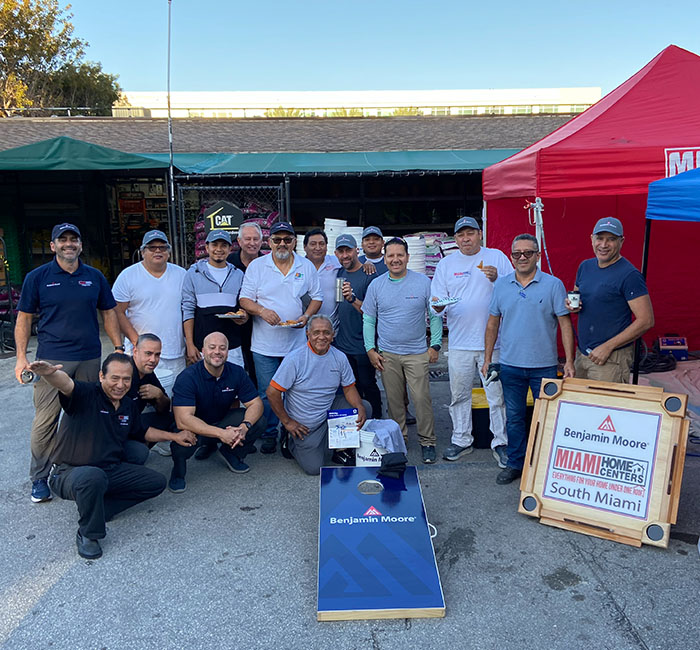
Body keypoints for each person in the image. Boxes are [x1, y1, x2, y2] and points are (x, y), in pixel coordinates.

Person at [29, 353, 195, 559]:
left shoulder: (127, 405)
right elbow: (66, 384)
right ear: (101, 376)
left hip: (109, 468)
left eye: (126, 379)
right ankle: (88, 533)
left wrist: (174, 436)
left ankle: (101, 508)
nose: (120, 384)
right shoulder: (87, 394)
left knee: (156, 482)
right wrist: (49, 374)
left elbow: (142, 432)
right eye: (114, 378)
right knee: (92, 477)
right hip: (69, 473)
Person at [14, 223, 122, 504]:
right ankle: (39, 477)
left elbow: (109, 313)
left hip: (89, 356)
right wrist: (22, 358)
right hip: (51, 359)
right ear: (53, 246)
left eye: (74, 239)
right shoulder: (37, 278)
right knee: (46, 420)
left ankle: (82, 466)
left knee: (87, 415)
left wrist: (119, 347)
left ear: (81, 245)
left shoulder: (94, 277)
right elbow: (24, 318)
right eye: (62, 240)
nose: (69, 244)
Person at [484, 234, 575, 485]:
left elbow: (565, 324)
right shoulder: (501, 285)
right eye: (517, 254)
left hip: (543, 366)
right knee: (514, 418)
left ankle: (546, 467)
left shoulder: (553, 284)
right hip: (511, 366)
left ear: (537, 255)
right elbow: (492, 323)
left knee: (547, 418)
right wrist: (488, 358)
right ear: (511, 257)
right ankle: (515, 463)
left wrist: (569, 361)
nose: (522, 257)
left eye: (527, 253)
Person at [431, 216, 512, 467]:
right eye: (461, 235)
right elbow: (435, 304)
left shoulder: (497, 257)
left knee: (496, 396)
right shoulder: (446, 264)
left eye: (471, 234)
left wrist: (498, 278)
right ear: (455, 239)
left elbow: (515, 289)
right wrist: (441, 304)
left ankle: (500, 442)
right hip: (459, 343)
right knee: (459, 394)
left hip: (494, 344)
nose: (466, 239)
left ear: (480, 235)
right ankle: (461, 439)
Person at [239, 222, 322, 454]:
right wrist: (262, 311)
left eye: (287, 239)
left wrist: (306, 316)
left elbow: (317, 297)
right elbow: (244, 299)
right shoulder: (257, 266)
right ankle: (268, 433)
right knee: (267, 392)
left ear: (295, 241)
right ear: (270, 242)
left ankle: (289, 434)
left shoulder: (305, 266)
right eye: (277, 240)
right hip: (264, 344)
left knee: (294, 391)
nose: (282, 244)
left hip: (295, 342)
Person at [362, 238, 443, 463]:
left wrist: (434, 345)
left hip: (417, 353)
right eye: (390, 256)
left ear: (408, 257)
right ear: (384, 258)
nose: (395, 259)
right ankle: (399, 441)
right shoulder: (376, 285)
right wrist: (370, 349)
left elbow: (435, 315)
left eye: (400, 255)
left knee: (422, 399)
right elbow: (369, 319)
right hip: (388, 354)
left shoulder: (423, 283)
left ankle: (428, 441)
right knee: (395, 402)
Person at [266, 315, 369, 475]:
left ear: (333, 335)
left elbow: (349, 388)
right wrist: (287, 422)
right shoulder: (295, 359)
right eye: (316, 332)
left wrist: (359, 406)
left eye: (326, 332)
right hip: (304, 425)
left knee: (363, 408)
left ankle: (340, 448)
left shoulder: (339, 357)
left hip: (327, 413)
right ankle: (289, 439)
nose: (322, 337)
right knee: (314, 468)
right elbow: (272, 392)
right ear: (308, 334)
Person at [170, 332, 266, 492]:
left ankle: (230, 453)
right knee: (182, 440)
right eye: (212, 347)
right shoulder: (188, 377)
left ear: (228, 351)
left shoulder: (236, 372)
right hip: (195, 427)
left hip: (222, 422)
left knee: (259, 421)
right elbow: (183, 419)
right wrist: (221, 434)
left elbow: (256, 403)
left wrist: (243, 427)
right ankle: (178, 473)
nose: (217, 352)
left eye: (222, 348)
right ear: (203, 351)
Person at [568, 217, 654, 383]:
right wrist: (573, 305)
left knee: (605, 407)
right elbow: (578, 295)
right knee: (580, 406)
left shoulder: (630, 275)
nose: (604, 245)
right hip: (583, 353)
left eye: (611, 239)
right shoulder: (585, 266)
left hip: (610, 358)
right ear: (591, 239)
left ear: (621, 241)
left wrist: (608, 346)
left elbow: (646, 320)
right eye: (600, 238)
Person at [112, 230, 187, 375]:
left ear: (169, 252)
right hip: (141, 355)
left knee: (171, 395)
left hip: (175, 352)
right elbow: (116, 311)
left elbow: (188, 311)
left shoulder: (182, 274)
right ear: (142, 252)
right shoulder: (128, 276)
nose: (158, 251)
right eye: (152, 247)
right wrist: (137, 342)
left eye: (162, 247)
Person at [333, 234, 382, 419]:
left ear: (356, 251)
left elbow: (371, 312)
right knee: (350, 387)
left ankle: (376, 421)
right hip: (343, 344)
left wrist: (352, 299)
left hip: (363, 344)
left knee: (368, 384)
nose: (345, 255)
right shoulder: (339, 272)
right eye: (341, 251)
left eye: (348, 250)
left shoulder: (370, 275)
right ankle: (356, 423)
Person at [182, 229, 247, 368]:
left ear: (230, 249)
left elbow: (243, 306)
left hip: (232, 346)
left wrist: (244, 316)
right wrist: (190, 344)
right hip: (203, 347)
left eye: (223, 245)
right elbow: (187, 309)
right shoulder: (193, 273)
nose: (219, 249)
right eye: (214, 245)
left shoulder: (238, 275)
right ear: (207, 247)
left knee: (233, 386)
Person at [122, 333, 177, 465]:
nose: (153, 359)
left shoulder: (148, 373)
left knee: (170, 417)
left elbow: (164, 409)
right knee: (140, 453)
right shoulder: (123, 373)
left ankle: (138, 449)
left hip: (132, 423)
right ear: (135, 351)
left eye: (157, 354)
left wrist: (159, 395)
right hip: (115, 428)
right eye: (148, 353)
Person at [227, 222, 264, 385]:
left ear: (262, 241)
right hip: (233, 323)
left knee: (257, 366)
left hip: (261, 323)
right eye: (247, 239)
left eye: (256, 239)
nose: (252, 243)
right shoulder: (229, 262)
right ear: (239, 242)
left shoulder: (267, 262)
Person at [304, 228, 341, 326]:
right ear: (304, 247)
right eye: (313, 244)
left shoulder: (336, 262)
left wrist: (367, 263)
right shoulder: (298, 266)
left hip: (332, 327)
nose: (318, 248)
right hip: (305, 328)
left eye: (321, 244)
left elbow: (353, 263)